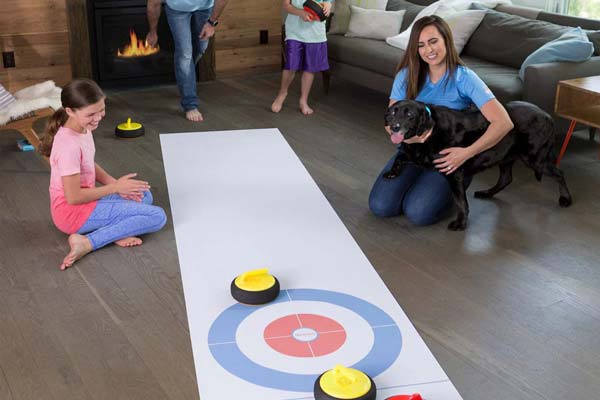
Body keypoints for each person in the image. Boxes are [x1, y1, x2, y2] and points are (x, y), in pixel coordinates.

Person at [369, 15, 514, 226]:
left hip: (449, 158)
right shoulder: (406, 75)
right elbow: (389, 122)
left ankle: (453, 185)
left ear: (446, 40)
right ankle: (423, 186)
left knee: (418, 213)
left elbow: (503, 122)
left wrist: (466, 153)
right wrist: (411, 141)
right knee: (380, 206)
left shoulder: (464, 77)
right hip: (412, 151)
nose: (429, 50)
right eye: (421, 45)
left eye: (433, 41)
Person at [38, 79, 167, 270]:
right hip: (72, 214)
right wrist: (115, 188)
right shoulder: (68, 146)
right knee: (158, 216)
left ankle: (116, 231)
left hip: (86, 204)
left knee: (142, 194)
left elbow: (88, 164)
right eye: (91, 114)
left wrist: (116, 185)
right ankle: (87, 242)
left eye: (101, 110)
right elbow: (73, 198)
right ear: (70, 111)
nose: (98, 117)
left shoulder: (82, 126)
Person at [146, 0, 229, 122]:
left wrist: (211, 23)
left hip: (204, 8)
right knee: (185, 54)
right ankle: (190, 105)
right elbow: (153, 4)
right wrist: (153, 32)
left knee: (201, 48)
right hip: (177, 10)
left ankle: (184, 76)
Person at [271, 0, 332, 115]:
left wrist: (328, 5)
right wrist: (301, 13)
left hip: (316, 33)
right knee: (291, 65)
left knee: (310, 68)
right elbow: (286, 5)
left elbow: (327, 2)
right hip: (295, 31)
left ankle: (303, 101)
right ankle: (282, 93)